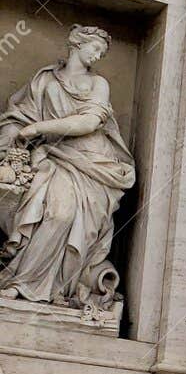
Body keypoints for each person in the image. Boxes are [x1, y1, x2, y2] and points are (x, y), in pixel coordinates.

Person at [0, 25, 135, 310]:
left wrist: (37, 127)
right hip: (53, 156)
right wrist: (16, 132)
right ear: (77, 43)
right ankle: (23, 283)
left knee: (64, 216)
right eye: (95, 49)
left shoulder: (99, 84)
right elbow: (18, 116)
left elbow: (89, 122)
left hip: (91, 162)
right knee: (51, 212)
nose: (97, 56)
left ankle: (36, 285)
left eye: (102, 52)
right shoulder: (45, 79)